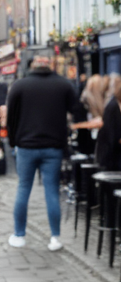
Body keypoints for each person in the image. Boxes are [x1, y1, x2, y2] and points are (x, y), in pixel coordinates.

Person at [6, 55, 76, 251]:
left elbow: (10, 118)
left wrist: (14, 142)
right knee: (51, 191)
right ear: (51, 66)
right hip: (53, 147)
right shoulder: (63, 85)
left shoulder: (19, 86)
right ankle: (55, 238)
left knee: (23, 188)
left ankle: (19, 235)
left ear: (32, 66)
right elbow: (76, 109)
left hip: (26, 146)